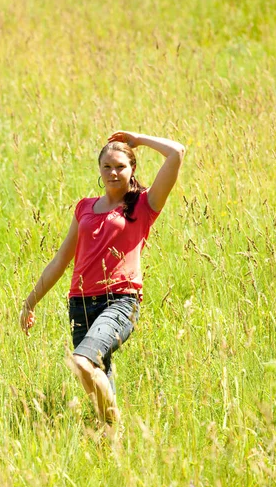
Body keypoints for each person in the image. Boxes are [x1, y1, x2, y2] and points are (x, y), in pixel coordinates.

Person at [20, 131, 185, 429]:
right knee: (95, 379)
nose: (113, 172)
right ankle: (112, 442)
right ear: (99, 169)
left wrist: (138, 139)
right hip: (80, 304)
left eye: (121, 166)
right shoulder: (85, 207)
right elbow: (61, 259)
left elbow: (177, 152)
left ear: (132, 169)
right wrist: (30, 302)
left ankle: (117, 427)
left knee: (82, 362)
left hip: (120, 301)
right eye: (107, 166)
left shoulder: (144, 204)